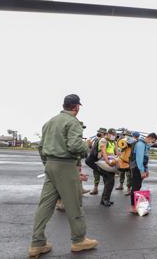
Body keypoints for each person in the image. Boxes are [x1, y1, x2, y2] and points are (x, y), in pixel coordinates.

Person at [29, 94, 98, 258]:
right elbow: (74, 146)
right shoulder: (73, 122)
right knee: (74, 203)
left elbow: (41, 147)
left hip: (50, 165)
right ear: (76, 107)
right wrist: (86, 146)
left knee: (45, 205)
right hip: (66, 166)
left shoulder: (49, 122)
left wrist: (48, 165)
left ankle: (37, 243)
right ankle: (79, 240)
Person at [130, 133, 157, 213]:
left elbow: (145, 159)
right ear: (150, 138)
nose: (152, 143)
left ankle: (135, 205)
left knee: (138, 186)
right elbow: (139, 159)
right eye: (152, 141)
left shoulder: (144, 145)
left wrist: (146, 170)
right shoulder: (140, 144)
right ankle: (133, 207)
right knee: (135, 187)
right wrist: (142, 171)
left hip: (141, 168)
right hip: (137, 169)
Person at [97, 128, 118, 207]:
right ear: (108, 134)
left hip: (111, 162)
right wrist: (107, 161)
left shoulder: (113, 142)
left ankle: (105, 199)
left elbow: (116, 152)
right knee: (109, 181)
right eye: (112, 135)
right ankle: (105, 199)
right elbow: (103, 152)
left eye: (114, 135)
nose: (113, 136)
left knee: (109, 182)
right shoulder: (103, 140)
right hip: (104, 163)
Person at [116, 131, 140, 195]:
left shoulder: (136, 143)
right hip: (122, 161)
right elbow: (120, 146)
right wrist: (120, 139)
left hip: (129, 162)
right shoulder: (125, 141)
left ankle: (129, 189)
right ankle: (121, 185)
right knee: (121, 174)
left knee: (129, 176)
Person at [86, 128, 107, 195]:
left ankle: (106, 191)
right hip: (95, 159)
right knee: (96, 174)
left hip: (101, 160)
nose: (98, 133)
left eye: (100, 132)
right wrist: (89, 145)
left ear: (103, 133)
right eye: (98, 132)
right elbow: (92, 148)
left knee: (105, 175)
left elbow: (104, 151)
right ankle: (95, 189)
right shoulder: (96, 139)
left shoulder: (105, 141)